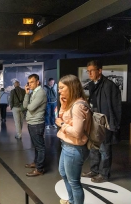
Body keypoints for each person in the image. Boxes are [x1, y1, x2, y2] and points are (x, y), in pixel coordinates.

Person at [81, 60, 122, 183]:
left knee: (105, 149)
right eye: (88, 71)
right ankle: (94, 170)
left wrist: (113, 124)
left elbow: (116, 106)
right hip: (94, 122)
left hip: (105, 122)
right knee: (94, 147)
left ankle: (104, 174)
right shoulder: (92, 84)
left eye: (92, 70)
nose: (90, 73)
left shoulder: (109, 85)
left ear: (100, 70)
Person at [55, 74, 91, 204]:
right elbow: (60, 117)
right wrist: (63, 105)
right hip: (67, 146)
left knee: (74, 182)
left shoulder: (78, 106)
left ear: (71, 87)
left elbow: (76, 132)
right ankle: (71, 201)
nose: (59, 91)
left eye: (61, 88)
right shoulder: (71, 103)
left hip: (74, 148)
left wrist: (62, 125)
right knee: (63, 173)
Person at [23, 74, 47, 176]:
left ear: (38, 82)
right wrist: (27, 94)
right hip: (32, 123)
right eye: (28, 82)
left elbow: (31, 108)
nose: (30, 84)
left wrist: (28, 105)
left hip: (37, 124)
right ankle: (36, 163)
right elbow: (25, 106)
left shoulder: (40, 93)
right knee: (37, 146)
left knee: (40, 147)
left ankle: (40, 169)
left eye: (32, 82)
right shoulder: (33, 93)